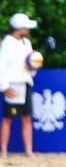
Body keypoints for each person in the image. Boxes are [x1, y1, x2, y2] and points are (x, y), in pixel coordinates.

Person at [0, 13, 38, 158]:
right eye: (26, 26)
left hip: (25, 82)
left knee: (27, 117)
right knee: (7, 118)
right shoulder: (7, 43)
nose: (28, 29)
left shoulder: (26, 43)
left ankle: (29, 151)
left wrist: (33, 67)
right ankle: (3, 151)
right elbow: (1, 66)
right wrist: (4, 87)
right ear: (19, 27)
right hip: (12, 85)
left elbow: (29, 63)